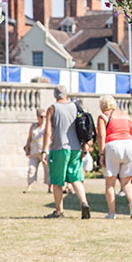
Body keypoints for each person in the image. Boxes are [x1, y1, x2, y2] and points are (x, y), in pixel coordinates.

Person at [40, 84, 91, 219]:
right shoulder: (76, 107)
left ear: (55, 95)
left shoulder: (53, 108)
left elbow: (48, 131)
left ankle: (59, 211)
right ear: (66, 94)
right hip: (76, 149)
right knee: (75, 178)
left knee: (57, 181)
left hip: (60, 148)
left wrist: (44, 150)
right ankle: (84, 202)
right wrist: (85, 145)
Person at [96, 95, 132, 219]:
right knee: (126, 181)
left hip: (113, 145)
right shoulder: (125, 115)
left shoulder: (103, 116)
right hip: (130, 145)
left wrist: (101, 154)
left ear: (102, 105)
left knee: (110, 182)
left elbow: (101, 135)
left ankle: (112, 213)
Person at [23, 108, 49, 193]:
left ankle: (49, 188)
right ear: (37, 116)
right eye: (42, 116)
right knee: (31, 169)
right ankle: (29, 186)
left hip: (44, 151)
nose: (43, 118)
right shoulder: (33, 126)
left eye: (45, 116)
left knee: (48, 170)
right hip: (34, 151)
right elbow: (29, 138)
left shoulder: (47, 126)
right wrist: (27, 147)